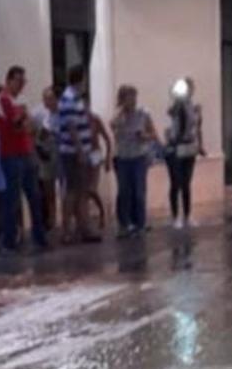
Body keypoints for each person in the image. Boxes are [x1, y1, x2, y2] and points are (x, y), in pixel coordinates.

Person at [0, 65, 48, 252]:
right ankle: (9, 241)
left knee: (34, 195)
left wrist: (25, 121)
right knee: (12, 199)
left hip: (27, 151)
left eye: (23, 81)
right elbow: (16, 124)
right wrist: (24, 119)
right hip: (11, 154)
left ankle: (39, 237)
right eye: (18, 81)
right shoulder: (3, 99)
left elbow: (30, 125)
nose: (21, 85)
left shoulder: (22, 100)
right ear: (9, 81)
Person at [57, 66, 101, 244]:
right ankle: (67, 230)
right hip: (73, 152)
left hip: (81, 150)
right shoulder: (69, 99)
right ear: (81, 79)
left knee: (82, 190)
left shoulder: (77, 99)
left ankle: (84, 227)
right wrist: (81, 150)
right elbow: (71, 127)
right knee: (73, 191)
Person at [110, 85, 160, 237]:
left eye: (134, 97)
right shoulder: (118, 117)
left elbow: (154, 134)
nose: (132, 101)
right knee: (124, 191)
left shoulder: (143, 114)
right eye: (128, 97)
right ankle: (126, 223)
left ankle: (140, 223)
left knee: (139, 191)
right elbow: (113, 129)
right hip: (123, 158)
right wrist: (120, 120)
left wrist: (144, 136)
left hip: (139, 157)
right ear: (122, 99)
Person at [165, 78, 206, 229]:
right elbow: (170, 114)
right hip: (176, 147)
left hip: (189, 147)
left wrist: (200, 145)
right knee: (176, 182)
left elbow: (198, 127)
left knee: (186, 182)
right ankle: (175, 216)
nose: (188, 90)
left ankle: (187, 215)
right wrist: (177, 100)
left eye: (190, 87)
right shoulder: (176, 104)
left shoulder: (194, 107)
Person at [32, 86, 60, 231]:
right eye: (44, 98)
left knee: (68, 191)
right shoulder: (44, 115)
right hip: (48, 156)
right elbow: (39, 136)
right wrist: (39, 148)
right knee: (48, 192)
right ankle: (52, 222)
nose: (46, 101)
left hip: (62, 156)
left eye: (49, 98)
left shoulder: (64, 114)